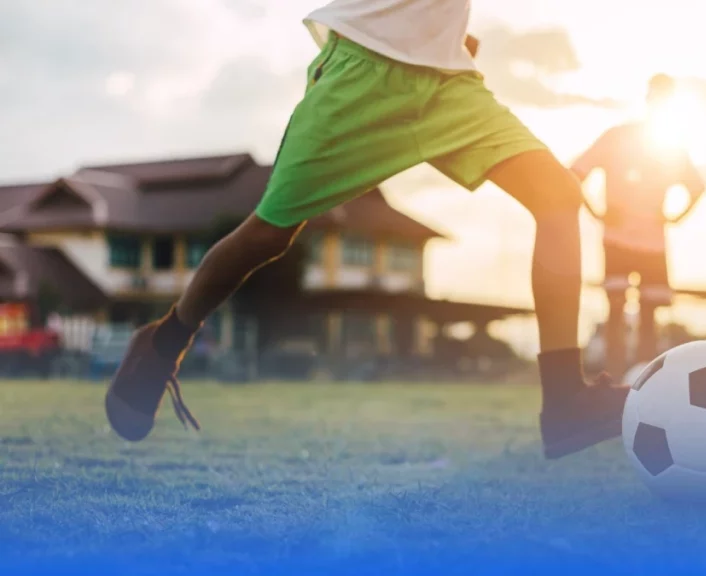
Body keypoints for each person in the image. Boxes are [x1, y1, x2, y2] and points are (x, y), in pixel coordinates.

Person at [104, 0, 627, 460]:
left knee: (558, 196)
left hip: (448, 83)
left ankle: (564, 401)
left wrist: (440, 32)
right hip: (363, 73)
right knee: (270, 233)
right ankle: (166, 339)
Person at [571, 74, 706, 379]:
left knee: (647, 314)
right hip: (617, 240)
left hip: (652, 242)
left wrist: (673, 217)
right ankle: (615, 378)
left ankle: (644, 380)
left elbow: (697, 187)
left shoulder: (671, 146)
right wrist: (597, 213)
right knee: (617, 310)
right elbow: (574, 174)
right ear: (648, 99)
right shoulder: (617, 137)